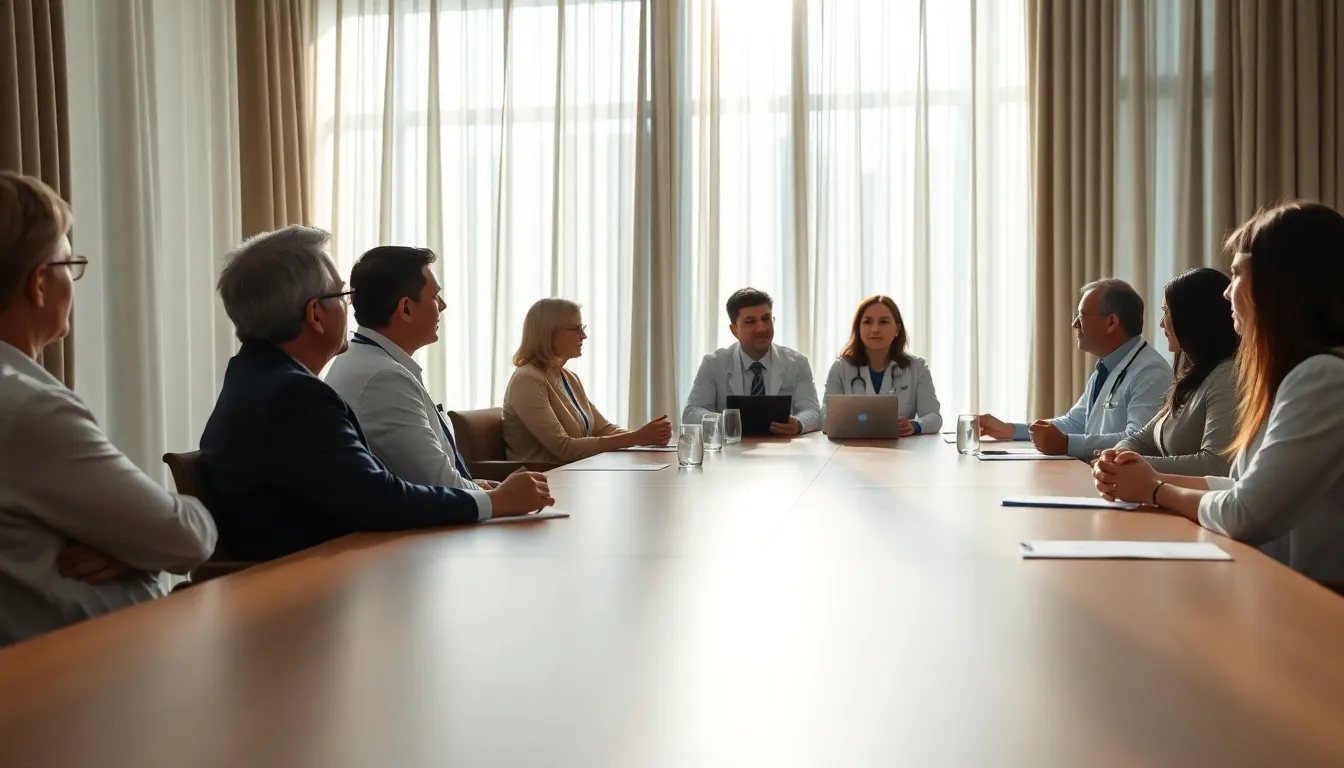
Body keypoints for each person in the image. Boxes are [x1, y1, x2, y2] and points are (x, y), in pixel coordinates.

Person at [200, 226, 553, 561]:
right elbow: (379, 499)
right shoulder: (296, 395)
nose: (351, 307)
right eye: (341, 295)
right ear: (316, 315)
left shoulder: (254, 377)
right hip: (310, 592)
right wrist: (497, 502)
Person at [0, 171, 217, 645]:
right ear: (39, 283)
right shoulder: (30, 412)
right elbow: (188, 538)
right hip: (83, 677)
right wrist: (139, 541)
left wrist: (133, 542)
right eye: (69, 264)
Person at [1093, 201, 1344, 588]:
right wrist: (1147, 475)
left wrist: (1157, 490)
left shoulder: (1323, 377)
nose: (1227, 293)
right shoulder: (1293, 376)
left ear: (1278, 284)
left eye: (1236, 275)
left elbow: (1246, 512)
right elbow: (1244, 487)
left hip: (1313, 605)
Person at [325, 245, 497, 490]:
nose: (444, 305)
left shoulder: (368, 359)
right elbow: (441, 486)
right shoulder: (383, 379)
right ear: (406, 308)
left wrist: (477, 486)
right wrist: (500, 497)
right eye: (435, 297)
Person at [978, 278, 1171, 458]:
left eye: (1082, 316)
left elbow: (1138, 441)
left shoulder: (1150, 372)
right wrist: (1010, 430)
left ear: (1112, 322)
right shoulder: (1106, 367)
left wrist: (1067, 444)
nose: (1075, 324)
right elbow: (1075, 423)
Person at [503, 298, 672, 464]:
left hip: (574, 473)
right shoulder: (527, 380)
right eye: (576, 329)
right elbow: (564, 447)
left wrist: (646, 438)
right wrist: (637, 438)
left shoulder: (569, 377)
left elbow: (604, 429)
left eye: (582, 328)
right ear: (550, 333)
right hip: (545, 480)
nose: (583, 336)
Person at [1113, 268, 1239, 475]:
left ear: (1192, 317)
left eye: (1166, 312)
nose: (1162, 323)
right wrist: (1118, 455)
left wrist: (1136, 465)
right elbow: (1139, 440)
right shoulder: (1193, 379)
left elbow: (1217, 465)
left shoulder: (1227, 377)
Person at [683, 288, 823, 435]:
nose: (762, 328)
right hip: (731, 451)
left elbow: (813, 411)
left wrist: (799, 424)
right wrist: (727, 422)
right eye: (751, 321)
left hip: (782, 449)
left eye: (766, 319)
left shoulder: (797, 363)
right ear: (734, 330)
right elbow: (692, 413)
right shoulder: (713, 363)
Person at [823, 294, 942, 436]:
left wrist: (914, 426)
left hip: (902, 451)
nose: (875, 329)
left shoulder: (917, 368)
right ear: (858, 328)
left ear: (897, 329)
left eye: (884, 322)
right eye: (867, 322)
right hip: (853, 448)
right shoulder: (840, 368)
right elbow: (824, 418)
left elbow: (934, 418)